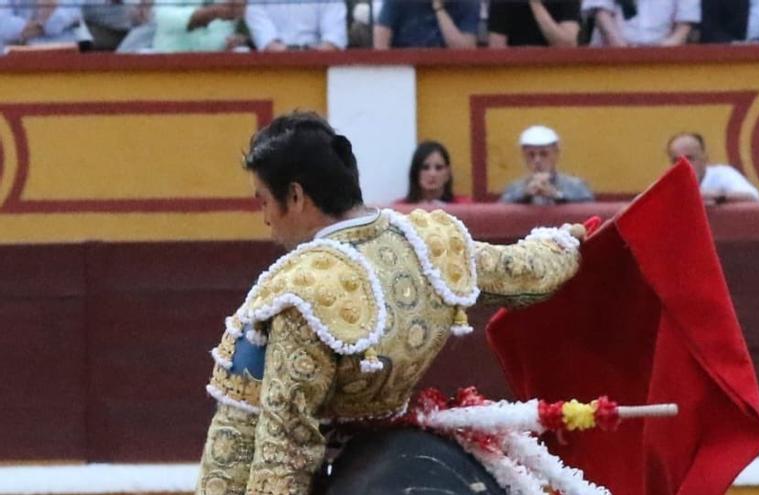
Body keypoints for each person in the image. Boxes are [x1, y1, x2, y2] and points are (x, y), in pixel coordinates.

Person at [196, 111, 591, 494]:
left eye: (263, 200)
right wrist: (565, 241)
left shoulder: (301, 291)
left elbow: (286, 448)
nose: (265, 217)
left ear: (296, 196)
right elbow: (527, 273)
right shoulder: (425, 241)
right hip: (393, 438)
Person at [499, 125, 594, 204]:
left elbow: (588, 210)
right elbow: (502, 215)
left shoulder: (576, 186)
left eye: (543, 154)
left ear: (556, 154)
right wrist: (525, 196)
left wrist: (557, 196)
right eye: (531, 155)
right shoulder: (514, 189)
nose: (537, 160)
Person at [666, 132, 759, 204]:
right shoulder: (667, 184)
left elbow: (753, 197)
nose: (684, 164)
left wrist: (717, 196)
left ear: (704, 159)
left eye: (690, 158)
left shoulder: (723, 174)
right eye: (677, 160)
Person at [582, 0, 700, 47]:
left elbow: (686, 21)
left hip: (664, 58)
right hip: (611, 55)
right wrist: (621, 47)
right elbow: (600, 11)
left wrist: (665, 48)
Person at [246, 0, 347, 52]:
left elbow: (333, 41)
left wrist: (309, 56)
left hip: (319, 68)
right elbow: (268, 43)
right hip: (272, 68)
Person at [374, 0, 480, 49]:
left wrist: (439, 8)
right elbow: (380, 47)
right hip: (403, 72)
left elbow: (466, 50)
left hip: (449, 73)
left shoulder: (468, 3)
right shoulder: (397, 2)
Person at [151, 0, 244, 53]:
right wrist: (210, 13)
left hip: (219, 70)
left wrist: (241, 40)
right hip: (170, 67)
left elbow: (245, 29)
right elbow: (163, 17)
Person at [397, 140, 472, 205]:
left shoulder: (465, 206)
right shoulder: (398, 211)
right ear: (415, 172)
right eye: (425, 168)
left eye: (439, 168)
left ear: (448, 173)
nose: (432, 174)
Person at [487, 0, 580, 47]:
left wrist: (535, 4)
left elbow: (567, 45)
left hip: (558, 72)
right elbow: (497, 50)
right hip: (516, 72)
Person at [0, 0, 86, 50]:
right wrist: (44, 24)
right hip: (17, 58)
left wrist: (28, 30)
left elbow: (58, 19)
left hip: (64, 55)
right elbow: (4, 25)